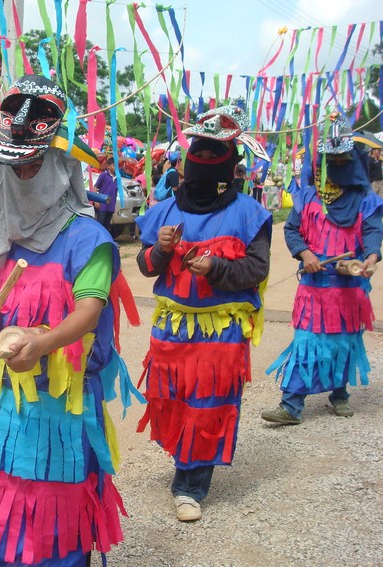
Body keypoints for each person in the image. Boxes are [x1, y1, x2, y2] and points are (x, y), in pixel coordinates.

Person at [0, 75, 133, 566]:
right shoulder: (5, 236)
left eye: (32, 166)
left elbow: (88, 312)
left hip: (62, 406)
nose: (20, 177)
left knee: (52, 508)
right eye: (12, 168)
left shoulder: (88, 240)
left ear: (58, 166)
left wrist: (41, 343)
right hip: (4, 402)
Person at [135, 105, 272, 522]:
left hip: (220, 336)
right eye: (200, 153)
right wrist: (160, 250)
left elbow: (257, 269)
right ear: (187, 158)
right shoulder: (164, 210)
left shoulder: (249, 213)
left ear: (230, 165)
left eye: (216, 155)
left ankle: (190, 485)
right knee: (173, 403)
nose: (206, 161)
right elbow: (145, 266)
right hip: (171, 332)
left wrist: (216, 268)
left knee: (208, 405)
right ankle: (185, 463)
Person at [262, 115, 382, 425]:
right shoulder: (307, 197)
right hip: (314, 287)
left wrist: (370, 259)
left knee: (344, 340)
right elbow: (292, 230)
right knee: (307, 341)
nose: (338, 165)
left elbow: (372, 232)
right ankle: (291, 405)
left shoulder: (365, 200)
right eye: (332, 160)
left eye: (344, 159)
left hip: (349, 289)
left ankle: (339, 394)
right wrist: (306, 253)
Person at [93, 154, 117, 231]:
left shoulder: (117, 178)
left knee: (107, 225)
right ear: (108, 166)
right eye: (114, 165)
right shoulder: (104, 175)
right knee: (100, 224)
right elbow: (95, 187)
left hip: (111, 206)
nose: (116, 167)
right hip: (102, 205)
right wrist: (96, 201)